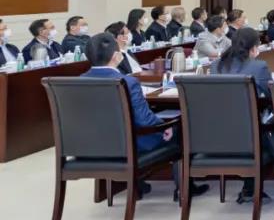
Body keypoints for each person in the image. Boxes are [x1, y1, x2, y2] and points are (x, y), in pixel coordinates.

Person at [81, 32, 208, 201]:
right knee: (179, 127)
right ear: (116, 56)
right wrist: (166, 126)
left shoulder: (78, 82)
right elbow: (145, 120)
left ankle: (137, 183)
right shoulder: (128, 82)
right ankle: (184, 189)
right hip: (131, 145)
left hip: (91, 146)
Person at [210, 27, 273, 202]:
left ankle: (249, 187)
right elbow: (272, 97)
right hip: (249, 138)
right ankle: (250, 187)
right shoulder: (258, 66)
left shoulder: (216, 66)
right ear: (254, 47)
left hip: (217, 136)